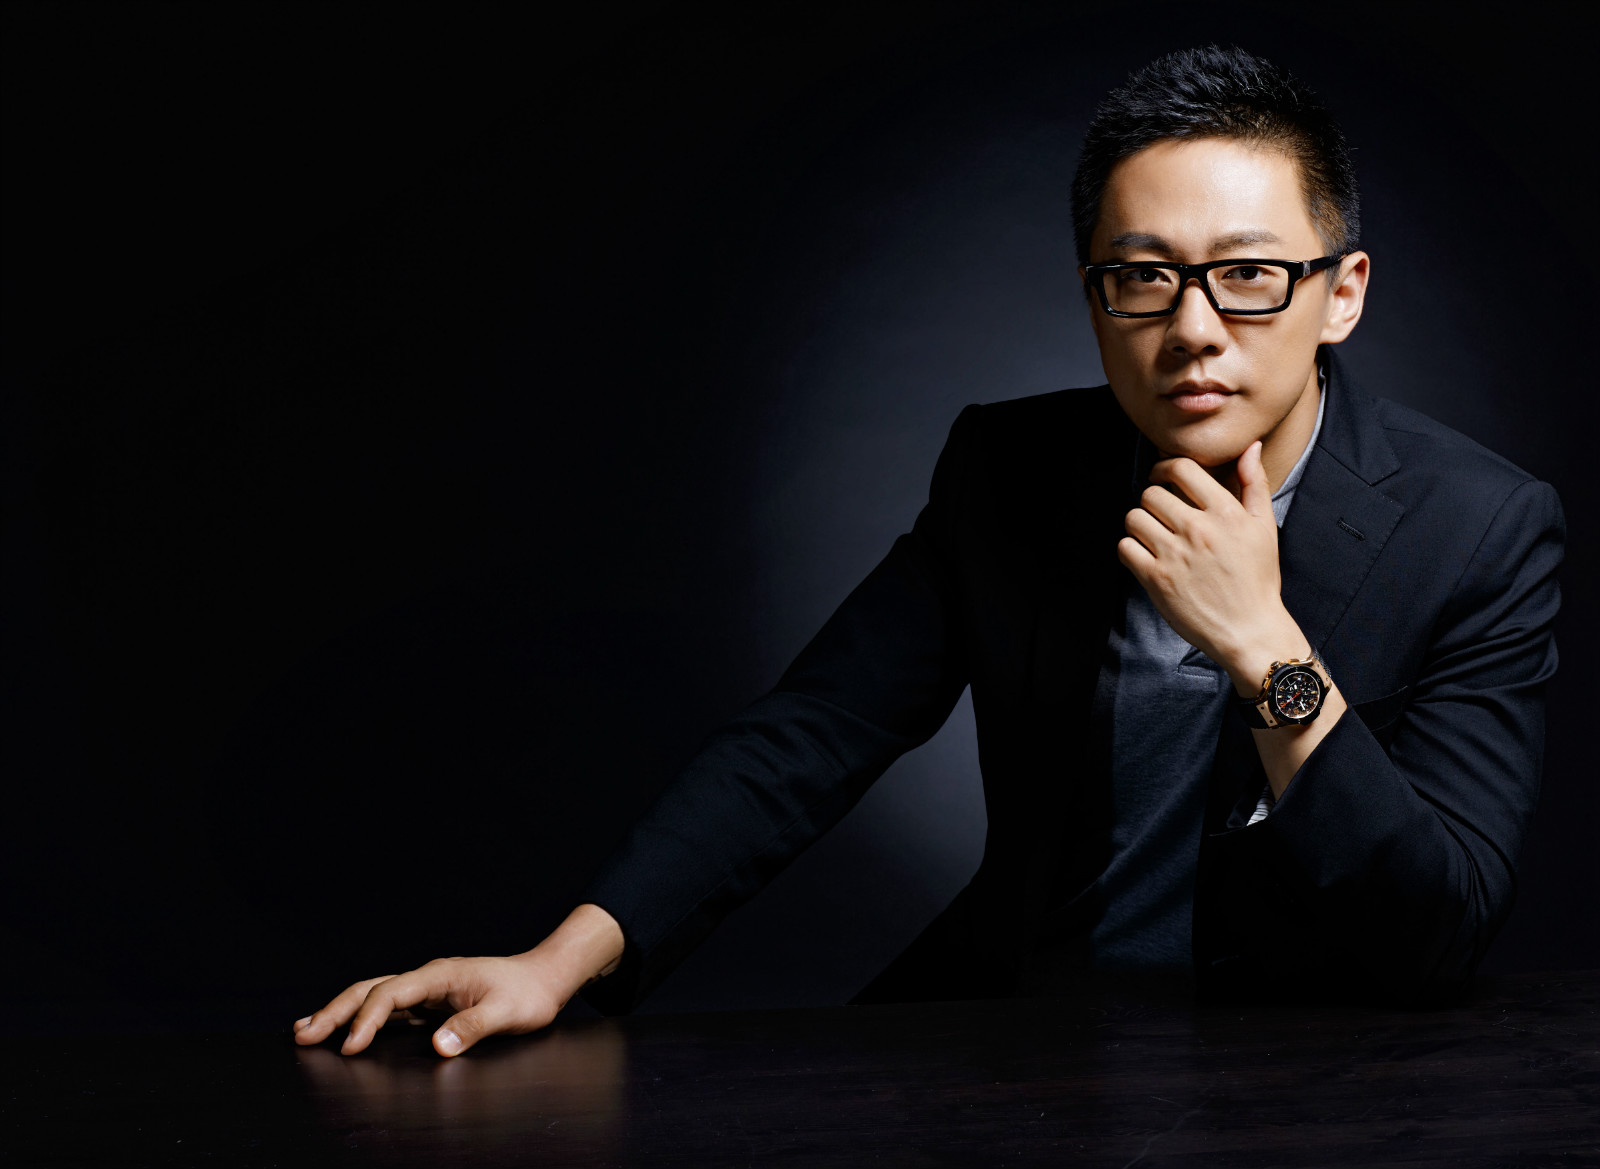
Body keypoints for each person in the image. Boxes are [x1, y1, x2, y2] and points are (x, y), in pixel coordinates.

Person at [293, 45, 1563, 1057]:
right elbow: (813, 733)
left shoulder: (1479, 527)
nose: (1192, 328)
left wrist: (1265, 647)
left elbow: (1434, 927)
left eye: (1247, 276)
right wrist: (558, 960)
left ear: (1340, 292)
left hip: (1314, 1063)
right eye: (1142, 276)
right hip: (1019, 1032)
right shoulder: (1012, 473)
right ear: (1093, 295)